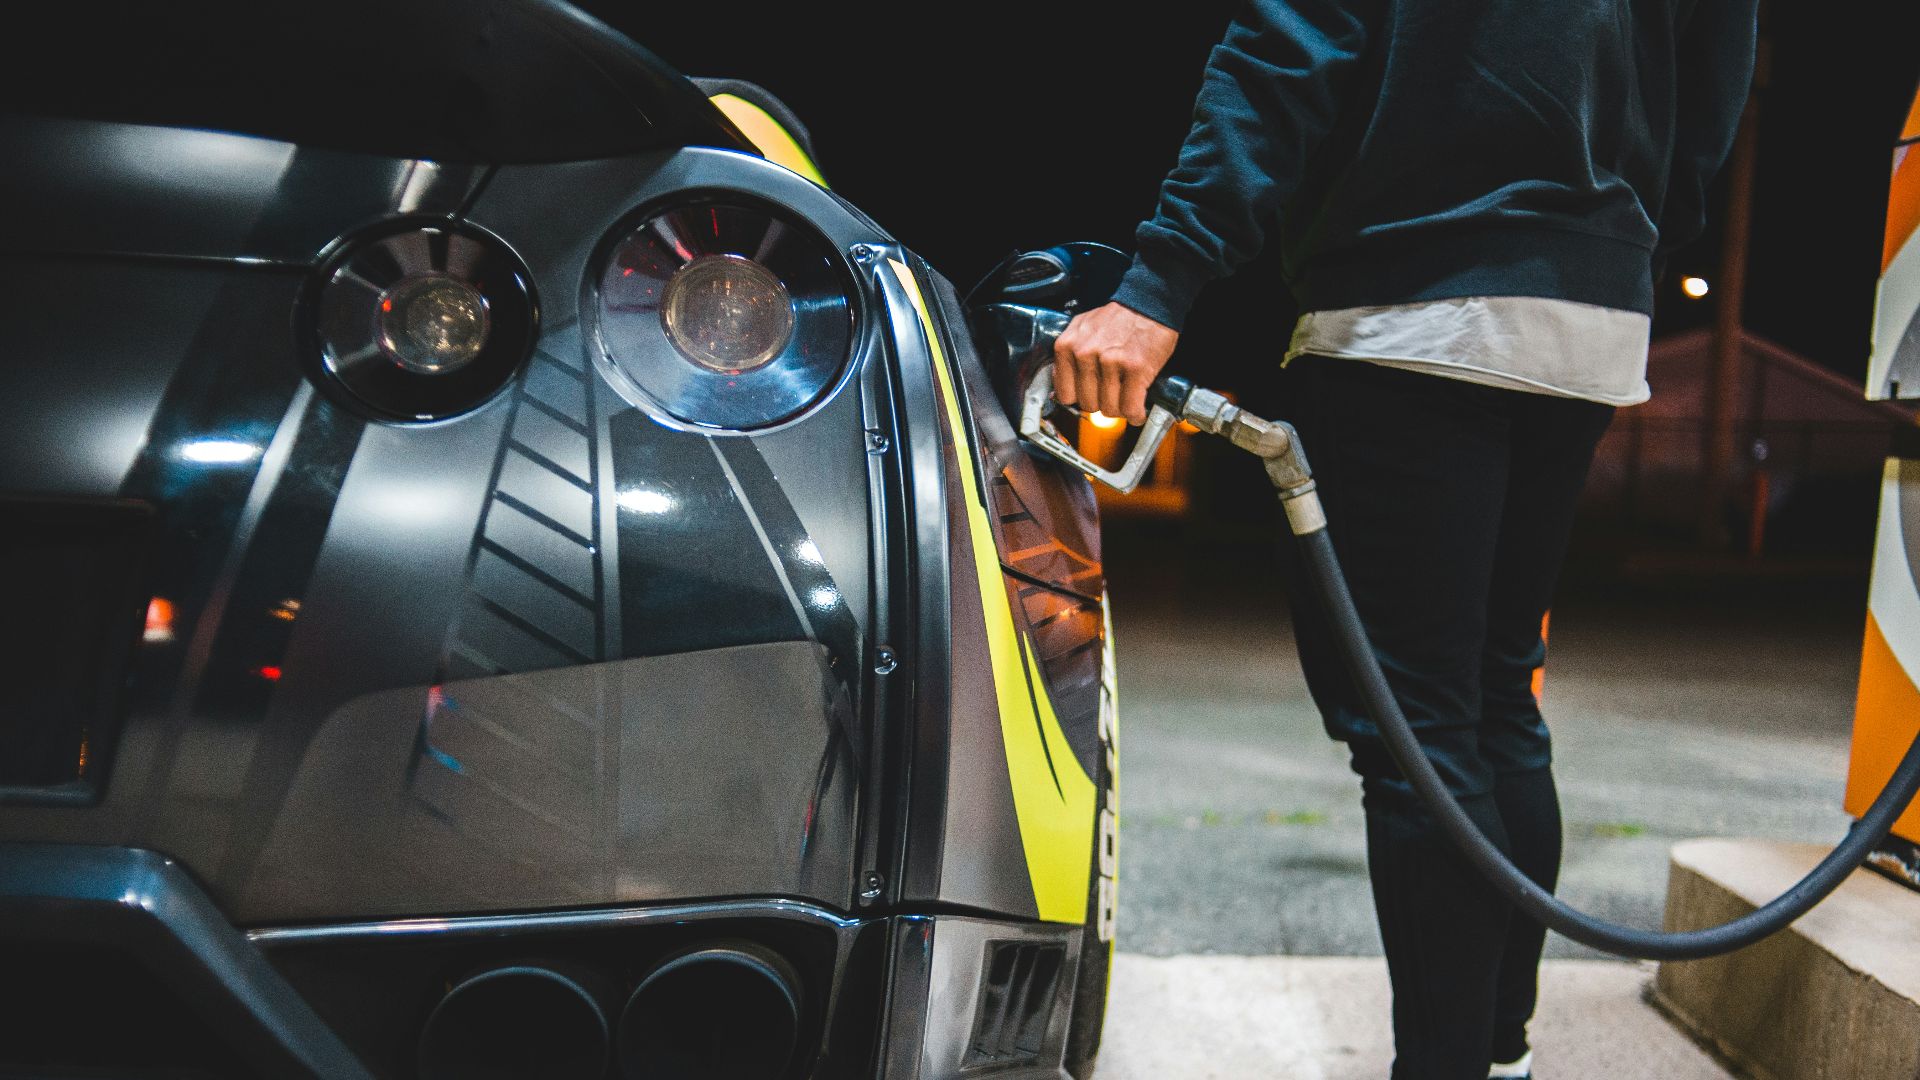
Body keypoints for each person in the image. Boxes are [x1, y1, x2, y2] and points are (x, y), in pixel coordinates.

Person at [1052, 2, 1758, 1077]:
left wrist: (1160, 284)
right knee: (1493, 697)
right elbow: (1719, 53)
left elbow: (1291, 41)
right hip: (1593, 300)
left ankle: (1446, 1068)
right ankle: (1498, 1055)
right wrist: (1634, 222)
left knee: (1419, 730)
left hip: (1417, 288)